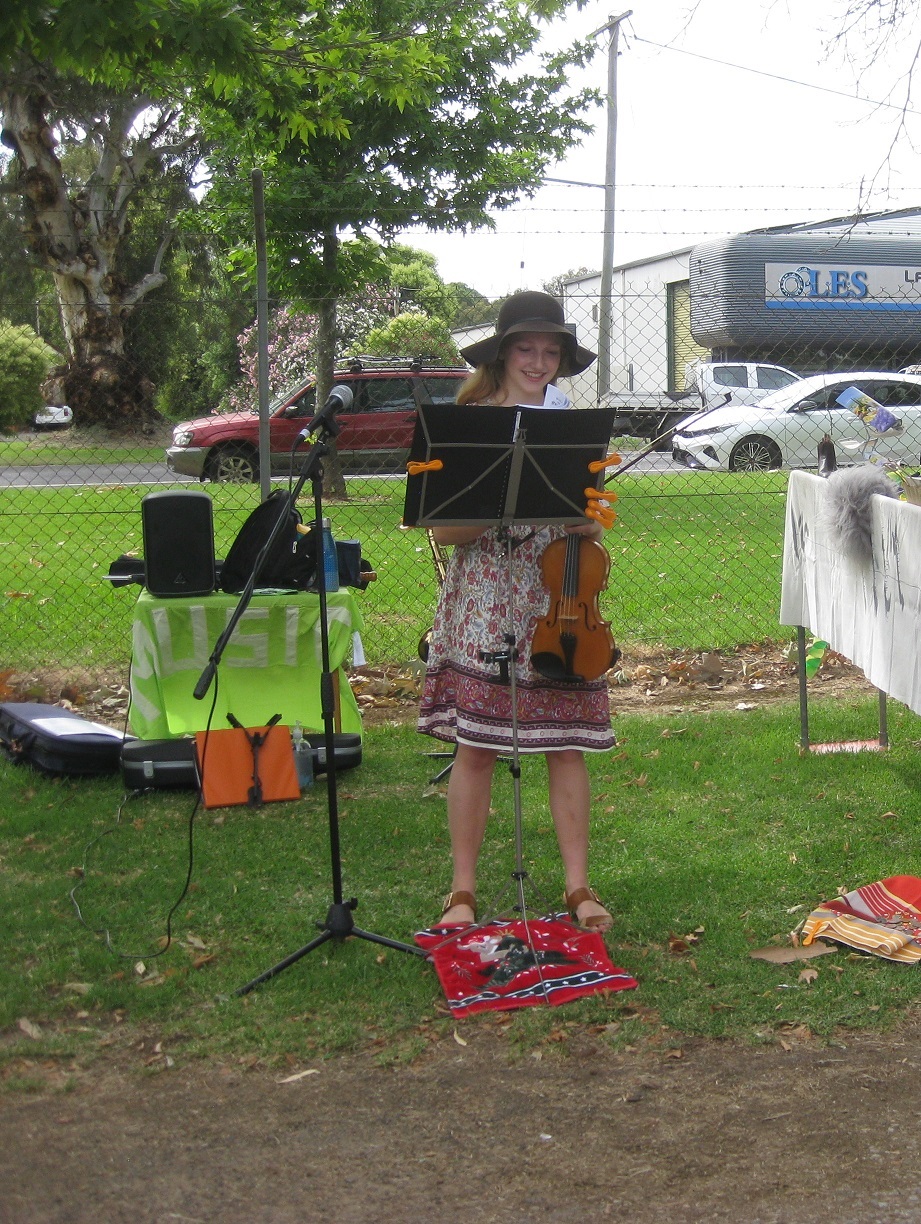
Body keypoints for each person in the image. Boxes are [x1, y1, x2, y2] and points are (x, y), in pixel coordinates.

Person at [417, 290, 616, 932]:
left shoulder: (570, 428)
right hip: (483, 596)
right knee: (475, 748)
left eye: (550, 351)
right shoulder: (463, 421)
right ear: (502, 353)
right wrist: (503, 510)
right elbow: (444, 532)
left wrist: (585, 522)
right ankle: (462, 892)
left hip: (553, 596)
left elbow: (586, 523)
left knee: (564, 746)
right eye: (526, 349)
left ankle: (579, 887)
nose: (538, 361)